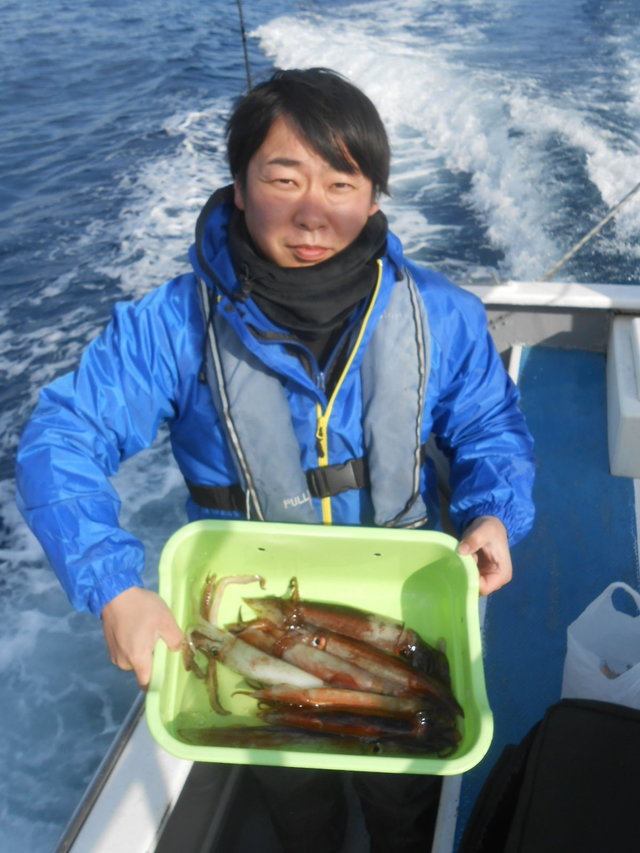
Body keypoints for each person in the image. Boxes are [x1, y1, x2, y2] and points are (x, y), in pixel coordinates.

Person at [16, 68, 535, 851]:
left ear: (374, 197)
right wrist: (114, 586)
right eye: (283, 176)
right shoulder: (173, 325)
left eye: (341, 181)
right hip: (255, 608)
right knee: (295, 789)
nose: (312, 209)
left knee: (408, 786)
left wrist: (496, 509)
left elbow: (491, 424)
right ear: (238, 185)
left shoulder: (442, 314)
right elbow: (61, 436)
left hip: (400, 600)